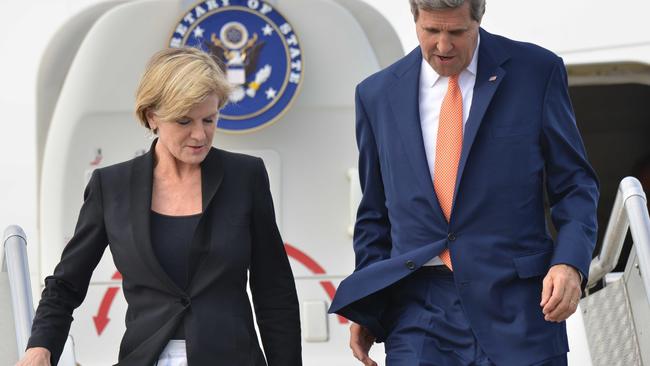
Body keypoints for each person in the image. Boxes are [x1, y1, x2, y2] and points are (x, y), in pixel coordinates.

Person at [329, 1, 599, 365]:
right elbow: (375, 213)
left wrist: (569, 263)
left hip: (519, 305)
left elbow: (575, 185)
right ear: (415, 20)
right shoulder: (376, 95)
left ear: (478, 18)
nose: (443, 45)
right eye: (431, 31)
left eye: (456, 32)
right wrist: (368, 303)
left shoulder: (537, 72)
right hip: (418, 312)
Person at [17, 47, 302, 366]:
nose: (200, 134)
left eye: (209, 119)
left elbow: (274, 290)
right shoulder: (110, 187)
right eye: (184, 121)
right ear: (152, 116)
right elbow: (67, 282)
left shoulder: (246, 177)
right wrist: (40, 347)